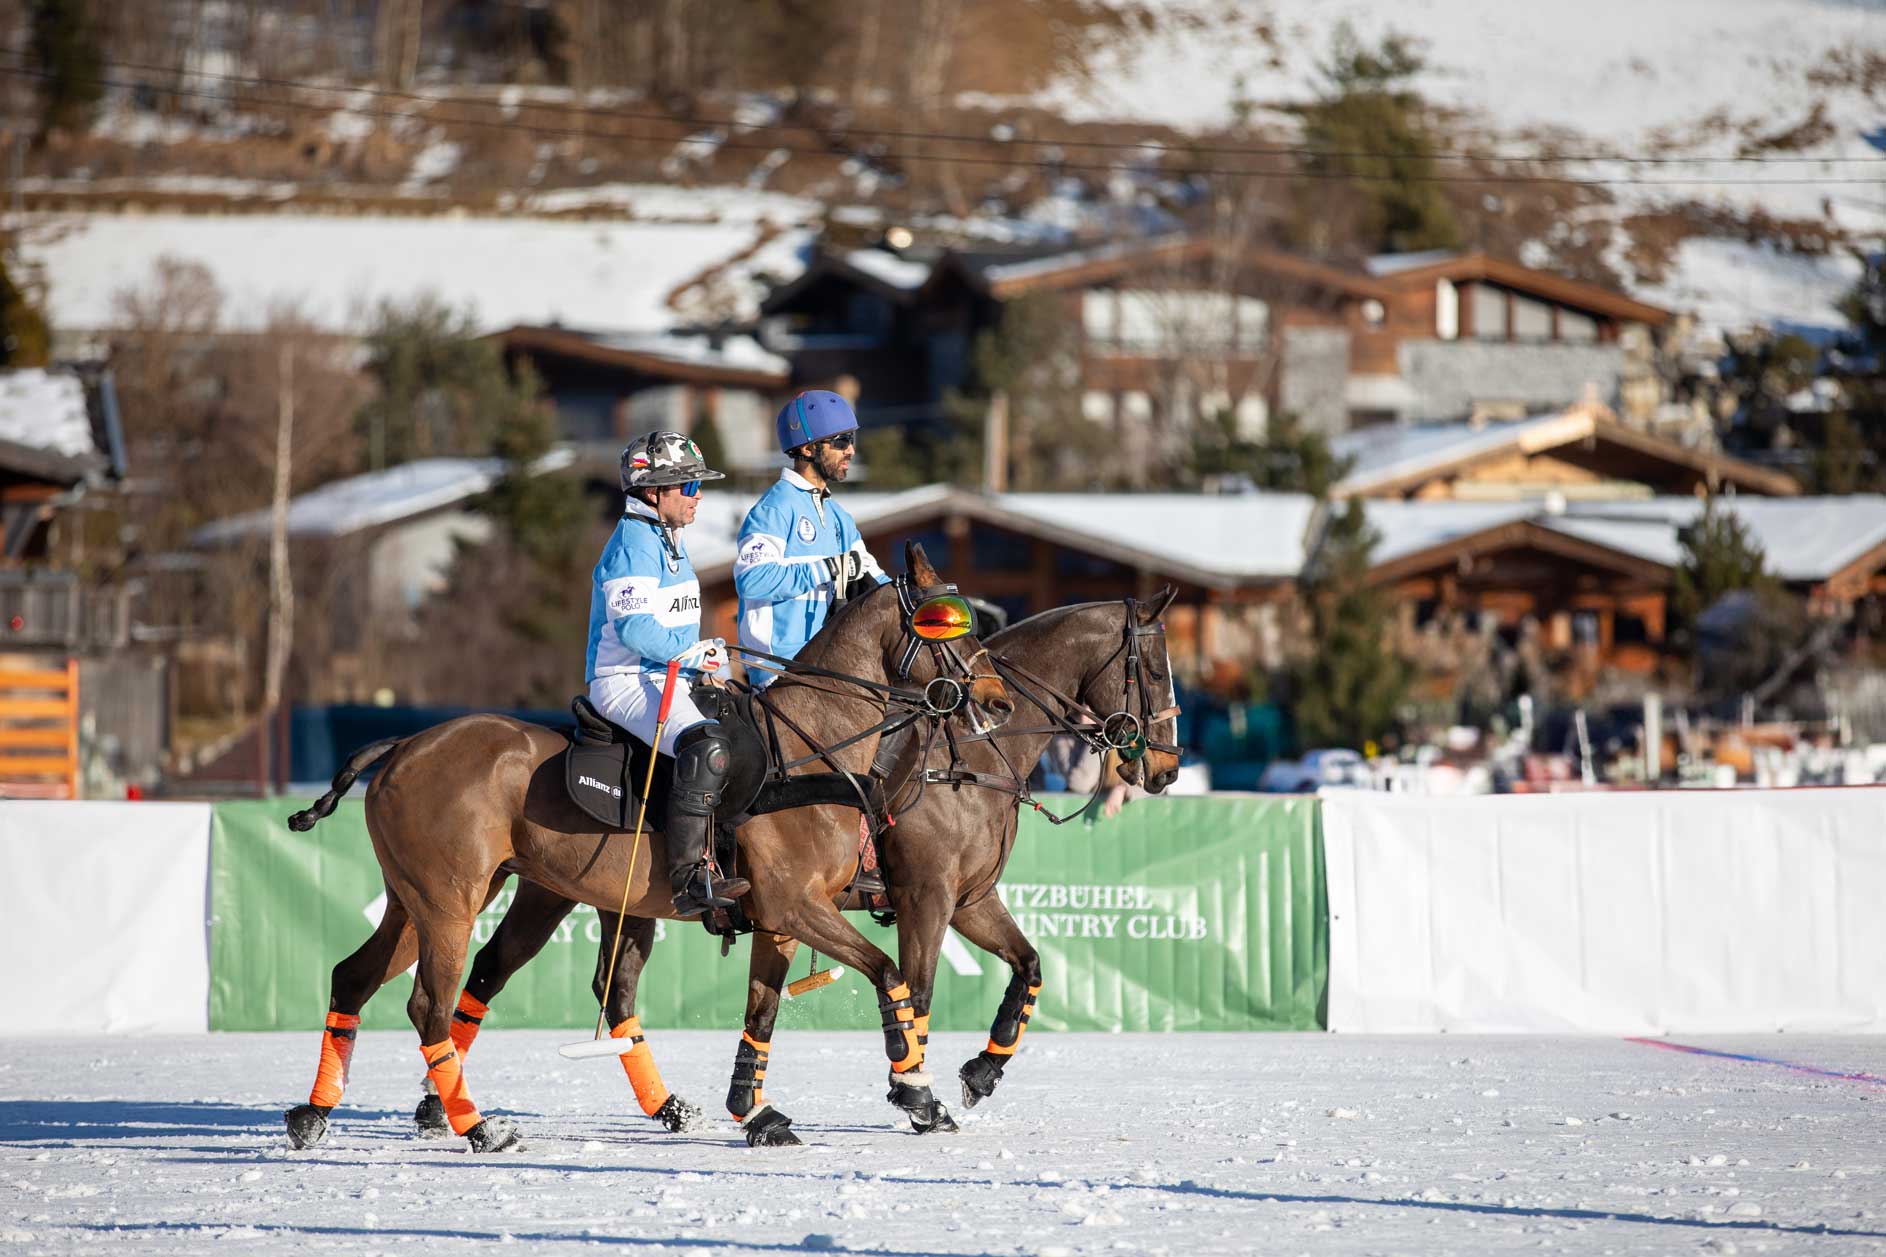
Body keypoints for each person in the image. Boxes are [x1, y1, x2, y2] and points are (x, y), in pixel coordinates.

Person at [585, 429, 750, 918]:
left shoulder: (666, 538)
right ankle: (688, 879)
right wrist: (699, 653)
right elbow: (636, 629)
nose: (698, 497)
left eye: (699, 486)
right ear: (653, 493)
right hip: (624, 679)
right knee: (707, 746)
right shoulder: (633, 544)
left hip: (666, 676)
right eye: (689, 488)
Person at [734, 390, 886, 683]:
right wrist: (827, 568)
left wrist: (920, 602)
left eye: (851, 440)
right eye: (841, 442)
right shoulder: (773, 509)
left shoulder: (839, 516)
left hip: (826, 665)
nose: (851, 451)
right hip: (778, 671)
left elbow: (877, 582)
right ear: (807, 449)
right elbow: (752, 581)